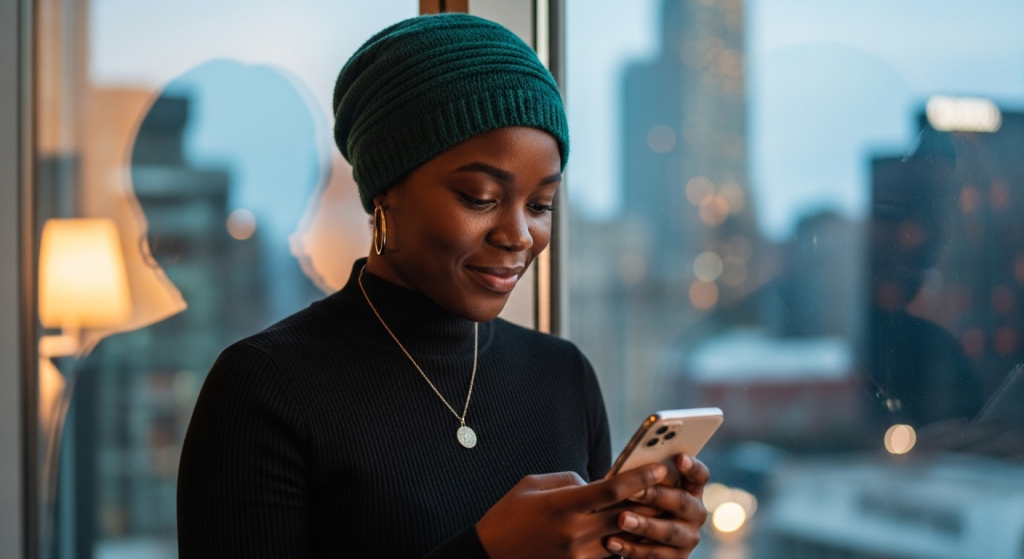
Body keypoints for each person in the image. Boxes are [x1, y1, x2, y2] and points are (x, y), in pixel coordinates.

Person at [177, 13, 709, 558]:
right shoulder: (265, 388)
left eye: (541, 205)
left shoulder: (563, 376)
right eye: (480, 197)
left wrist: (641, 546)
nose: (520, 236)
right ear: (387, 192)